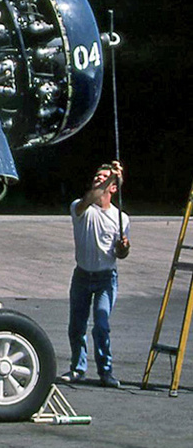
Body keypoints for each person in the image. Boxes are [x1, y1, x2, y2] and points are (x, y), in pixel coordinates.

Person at [67, 160, 130, 387]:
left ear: (113, 189)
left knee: (101, 325)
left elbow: (120, 254)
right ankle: (77, 369)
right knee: (76, 326)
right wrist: (114, 176)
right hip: (82, 275)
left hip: (106, 278)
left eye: (104, 177)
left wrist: (124, 248)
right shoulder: (80, 208)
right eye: (97, 176)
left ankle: (106, 371)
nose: (99, 179)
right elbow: (92, 197)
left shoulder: (121, 218)